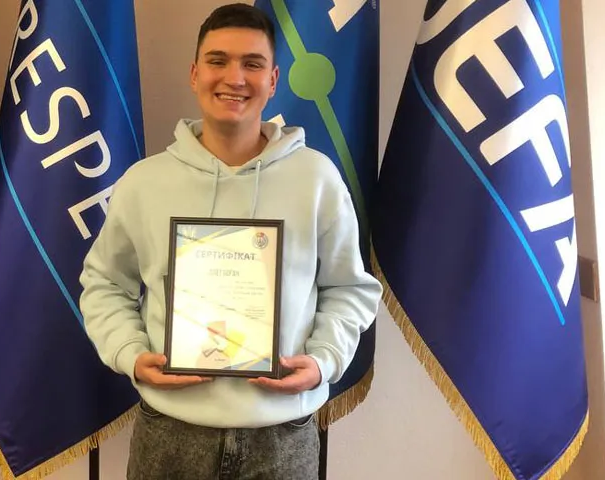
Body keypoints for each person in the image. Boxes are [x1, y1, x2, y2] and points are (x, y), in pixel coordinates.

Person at [79, 4, 382, 479]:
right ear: (194, 73)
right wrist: (131, 354)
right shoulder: (144, 183)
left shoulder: (316, 179)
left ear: (273, 80)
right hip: (171, 433)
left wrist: (324, 360)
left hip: (282, 438)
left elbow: (350, 288)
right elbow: (104, 285)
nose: (234, 78)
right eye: (218, 61)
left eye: (252, 64)